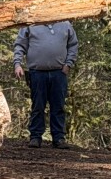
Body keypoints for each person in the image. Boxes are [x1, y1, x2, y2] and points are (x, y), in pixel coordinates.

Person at [13, 21, 78, 149]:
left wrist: (69, 63)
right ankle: (35, 137)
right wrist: (17, 64)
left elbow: (73, 45)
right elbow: (20, 45)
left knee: (58, 106)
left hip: (59, 72)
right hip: (37, 72)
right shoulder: (30, 24)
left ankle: (59, 138)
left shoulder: (65, 24)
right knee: (37, 105)